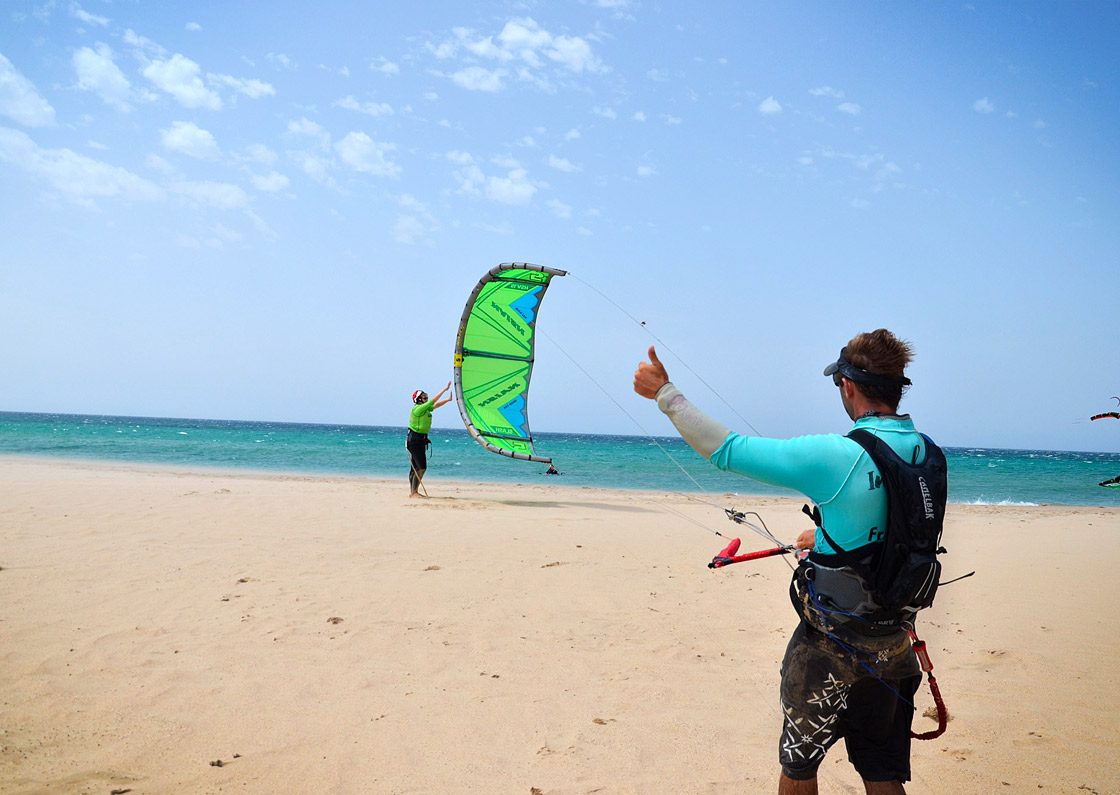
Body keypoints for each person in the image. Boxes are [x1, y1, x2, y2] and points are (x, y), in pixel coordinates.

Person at [633, 329, 946, 795]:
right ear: (898, 387)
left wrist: (664, 394)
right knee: (882, 774)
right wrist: (823, 535)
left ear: (847, 386)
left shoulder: (839, 454)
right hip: (894, 647)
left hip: (830, 654)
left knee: (799, 770)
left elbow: (726, 450)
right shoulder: (928, 455)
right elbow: (891, 533)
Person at [407, 381, 452, 497]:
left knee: (416, 467)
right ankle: (414, 492)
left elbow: (435, 405)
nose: (426, 399)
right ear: (418, 400)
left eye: (426, 397)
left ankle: (413, 492)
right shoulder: (417, 409)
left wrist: (447, 400)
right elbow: (433, 401)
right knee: (421, 467)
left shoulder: (425, 409)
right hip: (415, 440)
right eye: (424, 397)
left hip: (420, 440)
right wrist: (444, 389)